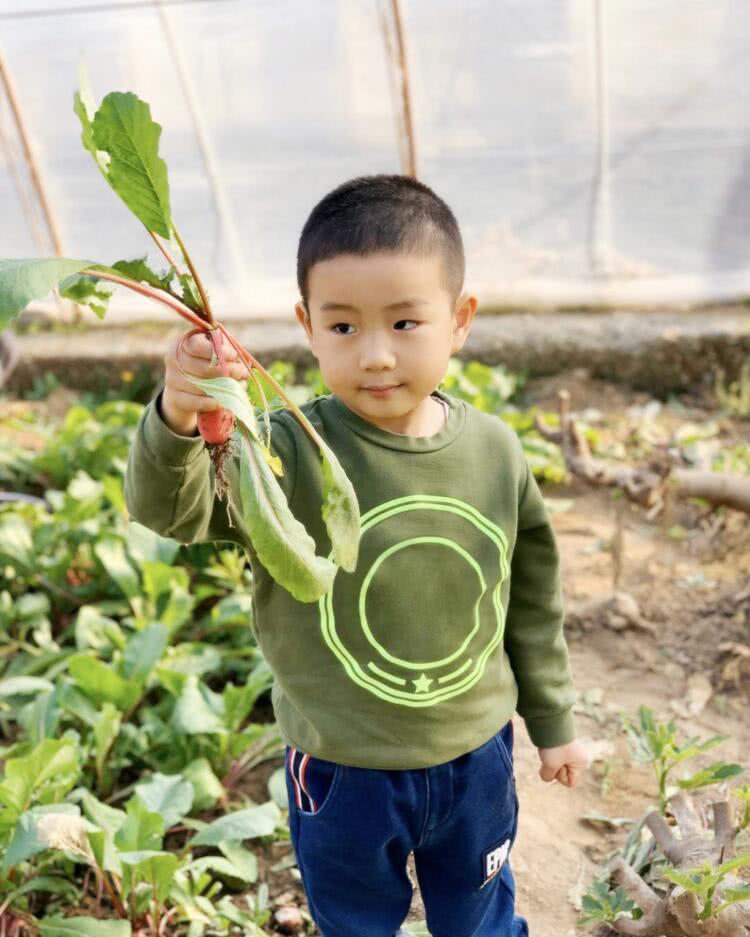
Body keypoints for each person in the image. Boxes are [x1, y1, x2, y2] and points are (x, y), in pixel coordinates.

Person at [125, 174, 589, 937]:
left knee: (480, 919)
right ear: (306, 325)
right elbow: (170, 508)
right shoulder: (280, 453)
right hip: (340, 770)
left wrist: (553, 718)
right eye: (342, 328)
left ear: (460, 319)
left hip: (476, 758)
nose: (375, 355)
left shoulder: (495, 454)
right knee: (355, 922)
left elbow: (532, 600)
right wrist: (182, 411)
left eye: (406, 322)